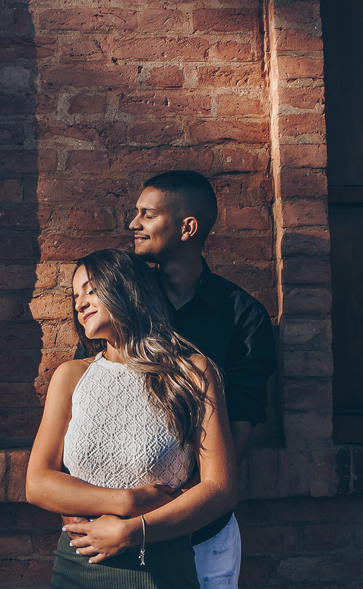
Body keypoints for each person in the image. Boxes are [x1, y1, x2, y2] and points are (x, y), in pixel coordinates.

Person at [26, 248, 238, 589]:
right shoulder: (70, 376)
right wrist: (129, 501)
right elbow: (37, 482)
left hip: (159, 566)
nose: (79, 303)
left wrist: (133, 532)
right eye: (75, 295)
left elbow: (221, 489)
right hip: (78, 566)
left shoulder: (193, 373)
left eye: (90, 290)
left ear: (127, 289)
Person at [128, 170, 277, 588]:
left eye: (147, 214)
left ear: (187, 227)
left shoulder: (243, 315)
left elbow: (242, 422)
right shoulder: (126, 309)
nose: (133, 224)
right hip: (120, 518)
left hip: (203, 531)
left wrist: (185, 505)